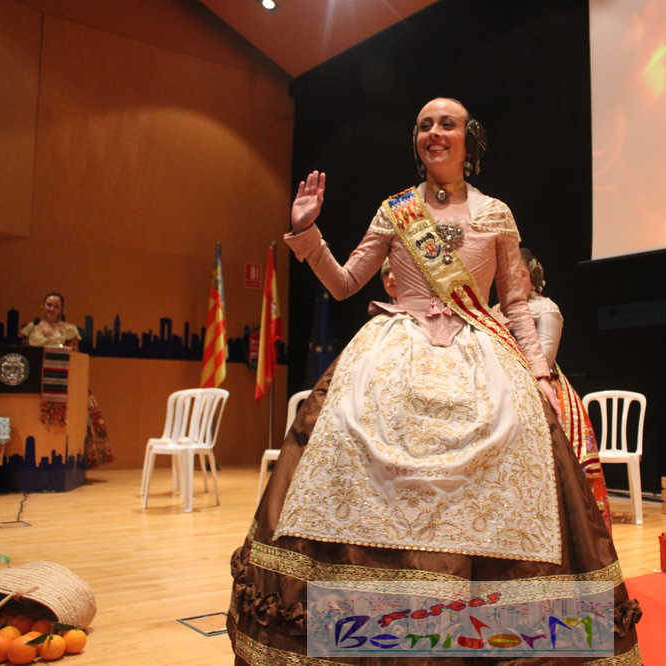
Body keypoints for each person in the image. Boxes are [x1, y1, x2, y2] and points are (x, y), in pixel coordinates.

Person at [227, 98, 642, 664]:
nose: (434, 132)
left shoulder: (496, 213)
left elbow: (515, 304)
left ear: (470, 139)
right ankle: (359, 627)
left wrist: (540, 373)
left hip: (481, 357)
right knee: (346, 432)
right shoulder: (396, 209)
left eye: (447, 124)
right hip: (392, 354)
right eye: (424, 125)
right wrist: (306, 232)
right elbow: (346, 283)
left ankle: (503, 629)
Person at [517, 248, 613, 533]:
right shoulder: (497, 310)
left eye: (519, 273)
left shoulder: (546, 309)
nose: (512, 278)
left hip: (542, 388)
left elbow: (544, 359)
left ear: (532, 276)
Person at [20, 292, 113, 468]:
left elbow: (74, 356)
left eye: (56, 306)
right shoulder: (31, 329)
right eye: (49, 305)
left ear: (62, 309)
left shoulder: (69, 330)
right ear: (42, 306)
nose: (51, 309)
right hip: (37, 382)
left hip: (64, 382)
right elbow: (24, 354)